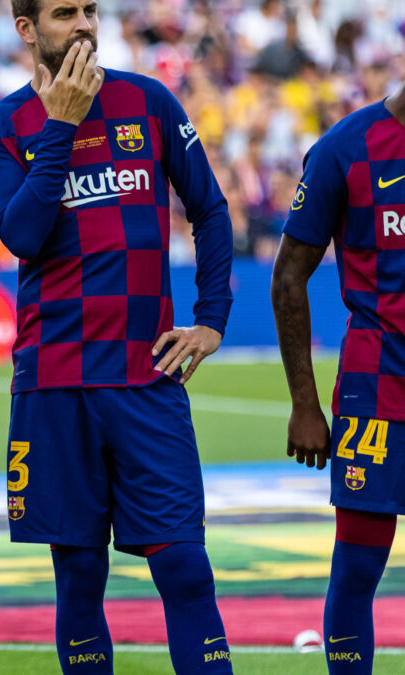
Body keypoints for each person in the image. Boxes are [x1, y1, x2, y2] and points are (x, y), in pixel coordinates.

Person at [0, 1, 235, 673]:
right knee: (80, 577)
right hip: (53, 380)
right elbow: (23, 233)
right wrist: (60, 122)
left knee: (184, 565)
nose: (85, 23)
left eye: (91, 9)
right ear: (27, 30)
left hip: (145, 378)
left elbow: (208, 207)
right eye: (66, 12)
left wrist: (211, 319)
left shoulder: (147, 100)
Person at [271, 80, 405, 674]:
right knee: (357, 567)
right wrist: (304, 403)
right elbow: (288, 276)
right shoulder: (344, 149)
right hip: (378, 388)